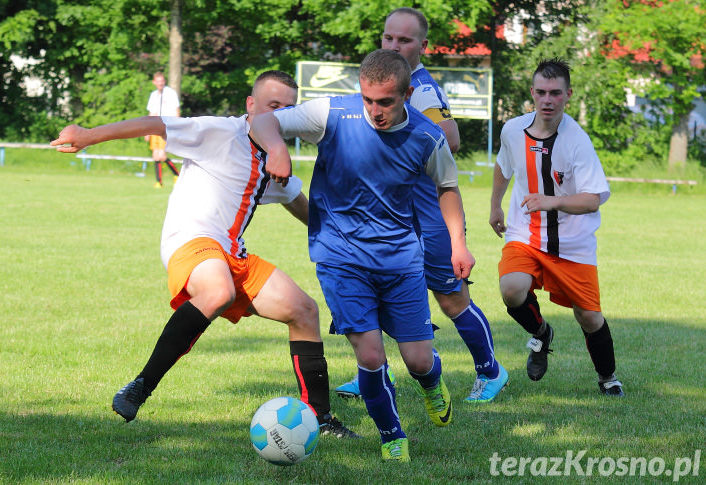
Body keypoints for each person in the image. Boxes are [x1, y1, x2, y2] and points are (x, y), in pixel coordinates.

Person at [50, 70, 359, 437]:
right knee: (218, 292)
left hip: (233, 255)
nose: (278, 115)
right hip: (192, 240)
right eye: (271, 106)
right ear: (251, 105)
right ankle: (140, 386)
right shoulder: (220, 132)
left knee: (305, 311)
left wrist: (353, 241)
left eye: (286, 109)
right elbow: (157, 123)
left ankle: (319, 419)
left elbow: (301, 206)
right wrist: (89, 135)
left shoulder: (276, 163)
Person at [251, 49, 473, 462]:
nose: (375, 110)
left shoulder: (428, 136)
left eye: (386, 101)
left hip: (401, 258)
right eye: (368, 99)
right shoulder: (332, 113)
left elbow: (447, 188)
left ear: (407, 93)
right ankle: (392, 435)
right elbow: (263, 120)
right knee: (370, 356)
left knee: (419, 361)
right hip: (340, 256)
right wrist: (277, 150)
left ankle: (430, 381)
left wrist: (458, 244)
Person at [334, 7, 508, 403]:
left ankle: (491, 371)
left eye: (404, 40)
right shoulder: (380, 85)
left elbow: (451, 137)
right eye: (388, 38)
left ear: (422, 46)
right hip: (389, 219)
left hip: (429, 217)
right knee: (374, 291)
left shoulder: (422, 89)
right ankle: (376, 375)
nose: (394, 45)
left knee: (450, 298)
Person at [489, 58, 624, 397]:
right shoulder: (512, 130)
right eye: (541, 92)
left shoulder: (577, 141)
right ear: (532, 93)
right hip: (525, 235)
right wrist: (495, 206)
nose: (547, 100)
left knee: (589, 317)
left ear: (568, 95)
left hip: (572, 243)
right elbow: (504, 166)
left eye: (555, 93)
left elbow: (593, 199)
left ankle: (608, 378)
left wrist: (551, 201)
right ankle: (542, 333)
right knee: (511, 289)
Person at [146, 71, 181, 188]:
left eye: (162, 81)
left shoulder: (171, 93)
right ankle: (159, 181)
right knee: (155, 155)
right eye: (158, 81)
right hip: (155, 126)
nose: (160, 83)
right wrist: (147, 131)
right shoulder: (153, 95)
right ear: (154, 82)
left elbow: (176, 110)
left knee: (162, 155)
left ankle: (177, 175)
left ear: (164, 82)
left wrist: (177, 126)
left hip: (166, 126)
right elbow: (151, 112)